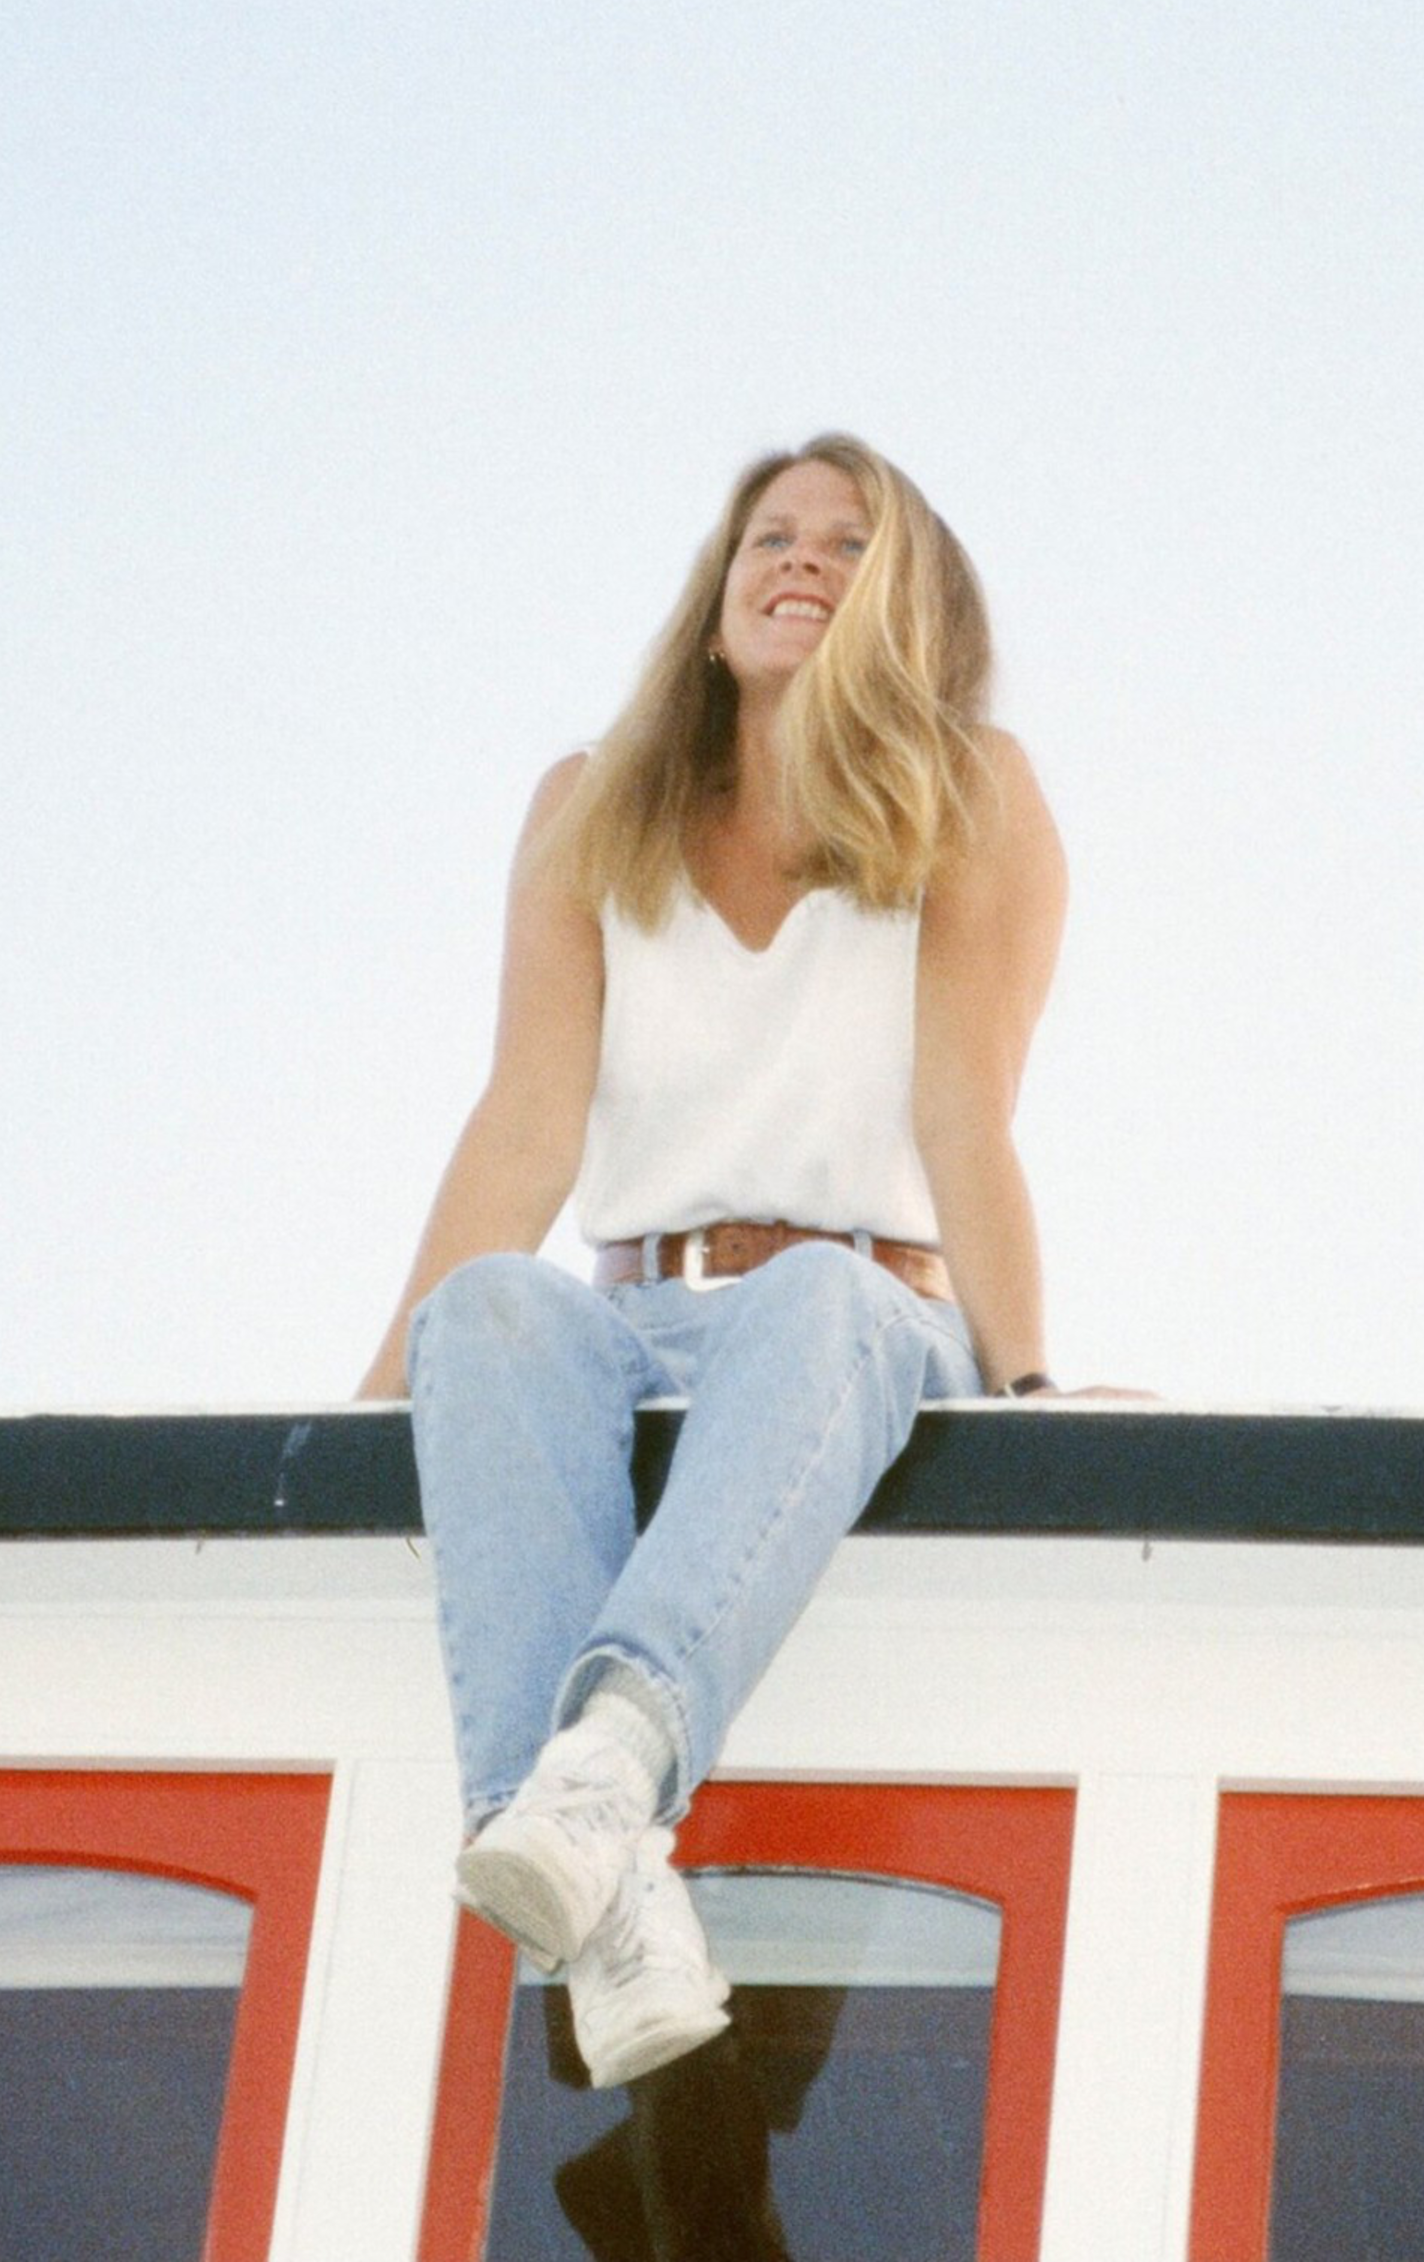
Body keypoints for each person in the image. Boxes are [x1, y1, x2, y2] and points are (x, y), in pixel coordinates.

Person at [356, 434, 1067, 2089]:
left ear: (909, 600)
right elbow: (525, 1122)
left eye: (847, 541)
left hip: (857, 1318)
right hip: (637, 1309)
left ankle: (606, 1767)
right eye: (769, 535)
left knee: (820, 1291)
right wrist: (377, 1394)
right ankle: (604, 1895)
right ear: (718, 583)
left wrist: (1031, 1379)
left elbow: (963, 1116)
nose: (798, 559)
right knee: (488, 1309)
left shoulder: (969, 789)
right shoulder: (588, 802)